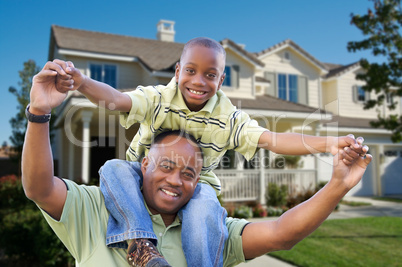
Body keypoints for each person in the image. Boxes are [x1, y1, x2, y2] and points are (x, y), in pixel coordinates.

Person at [54, 37, 368, 267]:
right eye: (190, 70)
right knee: (113, 168)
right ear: (177, 71)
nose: (198, 81)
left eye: (210, 74)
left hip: (197, 184)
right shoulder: (159, 98)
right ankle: (141, 244)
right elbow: (118, 100)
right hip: (142, 173)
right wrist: (82, 83)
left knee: (205, 207)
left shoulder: (228, 118)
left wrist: (327, 143)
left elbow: (272, 139)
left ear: (221, 78)